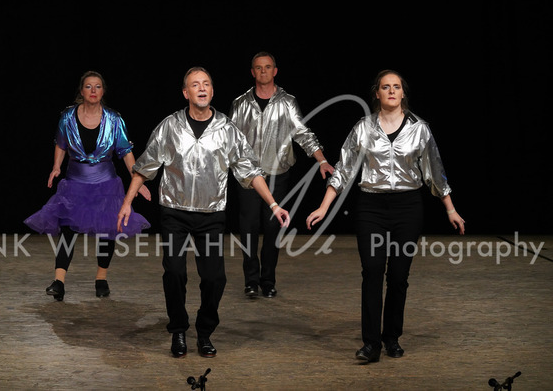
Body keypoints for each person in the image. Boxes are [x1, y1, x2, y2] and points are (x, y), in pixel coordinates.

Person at [117, 67, 290, 358]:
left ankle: (205, 331)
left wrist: (273, 204)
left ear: (212, 91)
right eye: (195, 84)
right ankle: (178, 330)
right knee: (174, 273)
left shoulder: (226, 129)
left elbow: (250, 170)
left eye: (206, 83)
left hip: (211, 215)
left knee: (214, 278)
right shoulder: (170, 126)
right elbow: (144, 167)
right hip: (174, 211)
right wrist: (127, 202)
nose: (201, 88)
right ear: (186, 93)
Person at [306, 70, 465, 363]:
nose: (391, 91)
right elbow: (343, 169)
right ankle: (371, 344)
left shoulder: (419, 129)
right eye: (385, 87)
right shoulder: (363, 127)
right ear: (377, 94)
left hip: (407, 207)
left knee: (398, 276)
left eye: (396, 87)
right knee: (372, 271)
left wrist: (451, 209)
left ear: (403, 93)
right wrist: (324, 207)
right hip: (371, 207)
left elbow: (435, 172)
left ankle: (391, 337)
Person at [25, 71, 151, 301]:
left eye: (98, 86)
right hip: (75, 183)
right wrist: (56, 167)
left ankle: (101, 279)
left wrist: (137, 180)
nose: (93, 91)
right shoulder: (68, 117)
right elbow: (61, 144)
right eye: (89, 86)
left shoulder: (114, 119)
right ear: (81, 91)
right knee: (67, 230)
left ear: (103, 91)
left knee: (107, 232)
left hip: (105, 184)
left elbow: (125, 151)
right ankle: (59, 282)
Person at [229, 52, 334, 299]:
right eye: (258, 67)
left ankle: (268, 280)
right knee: (248, 228)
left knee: (273, 228)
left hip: (278, 175)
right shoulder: (240, 103)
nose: (263, 71)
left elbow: (303, 133)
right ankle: (251, 281)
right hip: (248, 177)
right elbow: (229, 140)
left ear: (275, 71)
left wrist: (322, 160)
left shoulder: (287, 102)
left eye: (268, 67)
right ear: (252, 72)